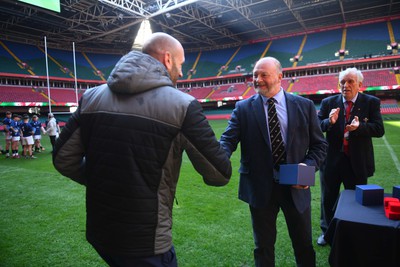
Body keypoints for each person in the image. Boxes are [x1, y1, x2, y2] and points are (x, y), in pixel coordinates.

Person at [52, 32, 232, 267]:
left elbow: (63, 159)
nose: (182, 72)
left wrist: (100, 179)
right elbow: (219, 174)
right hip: (147, 243)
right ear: (168, 59)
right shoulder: (182, 105)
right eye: (181, 64)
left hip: (101, 233)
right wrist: (226, 145)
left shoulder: (90, 97)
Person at [220, 57, 327, 267]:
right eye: (254, 75)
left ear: (280, 76)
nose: (257, 80)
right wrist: (219, 158)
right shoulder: (243, 108)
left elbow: (320, 146)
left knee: (303, 245)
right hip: (260, 189)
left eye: (263, 75)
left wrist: (307, 168)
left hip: (295, 186)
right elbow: (227, 140)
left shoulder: (304, 106)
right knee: (263, 248)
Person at [317, 67, 384, 246]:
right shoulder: (328, 102)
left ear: (359, 84)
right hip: (332, 162)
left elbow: (379, 129)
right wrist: (328, 122)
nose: (345, 85)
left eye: (350, 82)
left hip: (357, 162)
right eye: (343, 82)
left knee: (357, 199)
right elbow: (316, 127)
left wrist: (360, 127)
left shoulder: (371, 102)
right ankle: (327, 233)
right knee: (328, 198)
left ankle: (354, 232)